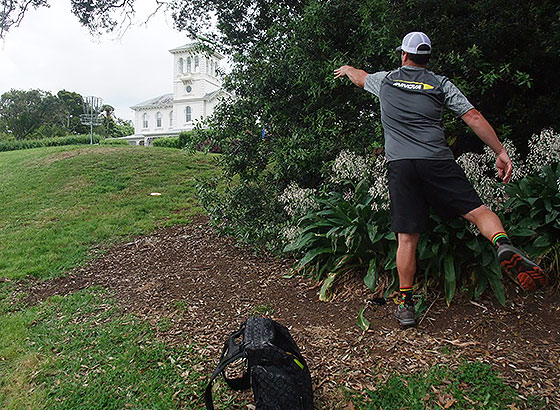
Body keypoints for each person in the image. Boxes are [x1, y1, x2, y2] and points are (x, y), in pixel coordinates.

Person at [334, 31, 549, 327]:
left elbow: (360, 76)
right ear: (426, 58)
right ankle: (502, 243)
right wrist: (500, 151)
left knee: (407, 237)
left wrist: (347, 70)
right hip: (437, 162)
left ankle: (406, 304)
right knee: (479, 212)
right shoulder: (440, 84)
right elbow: (473, 116)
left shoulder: (385, 80)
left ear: (404, 55)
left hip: (402, 165)